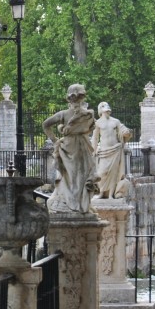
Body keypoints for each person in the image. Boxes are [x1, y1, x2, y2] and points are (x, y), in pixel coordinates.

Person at [43, 84, 98, 214]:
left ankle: (73, 204)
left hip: (71, 146)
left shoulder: (65, 114)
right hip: (81, 146)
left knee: (72, 177)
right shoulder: (89, 115)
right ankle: (81, 205)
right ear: (82, 98)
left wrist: (55, 140)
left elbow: (45, 125)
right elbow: (91, 128)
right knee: (81, 176)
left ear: (69, 99)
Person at [92, 101, 132, 199]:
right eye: (104, 107)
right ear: (100, 110)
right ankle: (101, 193)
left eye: (108, 108)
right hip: (104, 151)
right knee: (102, 172)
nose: (107, 110)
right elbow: (95, 138)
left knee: (114, 173)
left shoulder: (115, 121)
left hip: (115, 150)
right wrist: (94, 150)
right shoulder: (98, 123)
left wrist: (126, 132)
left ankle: (110, 194)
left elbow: (123, 130)